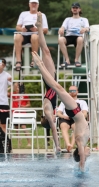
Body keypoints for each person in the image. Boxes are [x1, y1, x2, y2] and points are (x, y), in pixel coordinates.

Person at [32, 12, 90, 171]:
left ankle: (40, 64)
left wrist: (81, 166)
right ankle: (40, 64)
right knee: (54, 81)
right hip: (74, 111)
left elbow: (82, 158)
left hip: (73, 111)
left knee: (55, 81)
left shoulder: (80, 141)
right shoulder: (83, 143)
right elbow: (84, 156)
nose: (88, 152)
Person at [35, 12, 61, 153]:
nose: (54, 119)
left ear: (46, 118)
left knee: (46, 51)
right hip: (52, 81)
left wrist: (57, 145)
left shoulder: (47, 111)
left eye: (51, 119)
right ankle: (39, 27)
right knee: (46, 52)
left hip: (50, 81)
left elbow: (53, 128)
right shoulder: (51, 110)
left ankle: (39, 27)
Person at [14, 0, 48, 71]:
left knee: (34, 36)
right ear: (29, 4)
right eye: (32, 3)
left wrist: (36, 29)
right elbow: (17, 27)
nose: (34, 5)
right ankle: (18, 61)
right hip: (24, 34)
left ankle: (34, 59)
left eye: (35, 4)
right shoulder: (23, 14)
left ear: (38, 5)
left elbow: (45, 30)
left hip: (35, 35)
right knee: (17, 36)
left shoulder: (41, 15)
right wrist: (22, 29)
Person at [57, 85, 88, 152]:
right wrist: (64, 116)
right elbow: (58, 113)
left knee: (76, 127)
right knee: (63, 126)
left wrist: (80, 118)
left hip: (76, 118)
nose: (72, 92)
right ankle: (68, 144)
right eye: (70, 91)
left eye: (74, 90)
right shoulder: (64, 102)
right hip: (65, 118)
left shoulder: (82, 102)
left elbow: (85, 113)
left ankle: (71, 145)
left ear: (77, 92)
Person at [58, 2, 89, 68]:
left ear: (79, 9)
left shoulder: (84, 19)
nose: (75, 9)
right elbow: (63, 27)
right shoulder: (67, 19)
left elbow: (88, 28)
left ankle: (76, 60)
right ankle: (67, 60)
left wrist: (85, 29)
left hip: (78, 36)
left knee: (80, 39)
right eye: (73, 8)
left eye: (76, 8)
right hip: (69, 36)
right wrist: (61, 29)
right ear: (71, 9)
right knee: (60, 39)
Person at [0, 58, 11, 133]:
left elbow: (14, 86)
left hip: (3, 102)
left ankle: (6, 141)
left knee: (4, 124)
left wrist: (11, 80)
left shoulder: (7, 75)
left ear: (4, 66)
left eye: (2, 64)